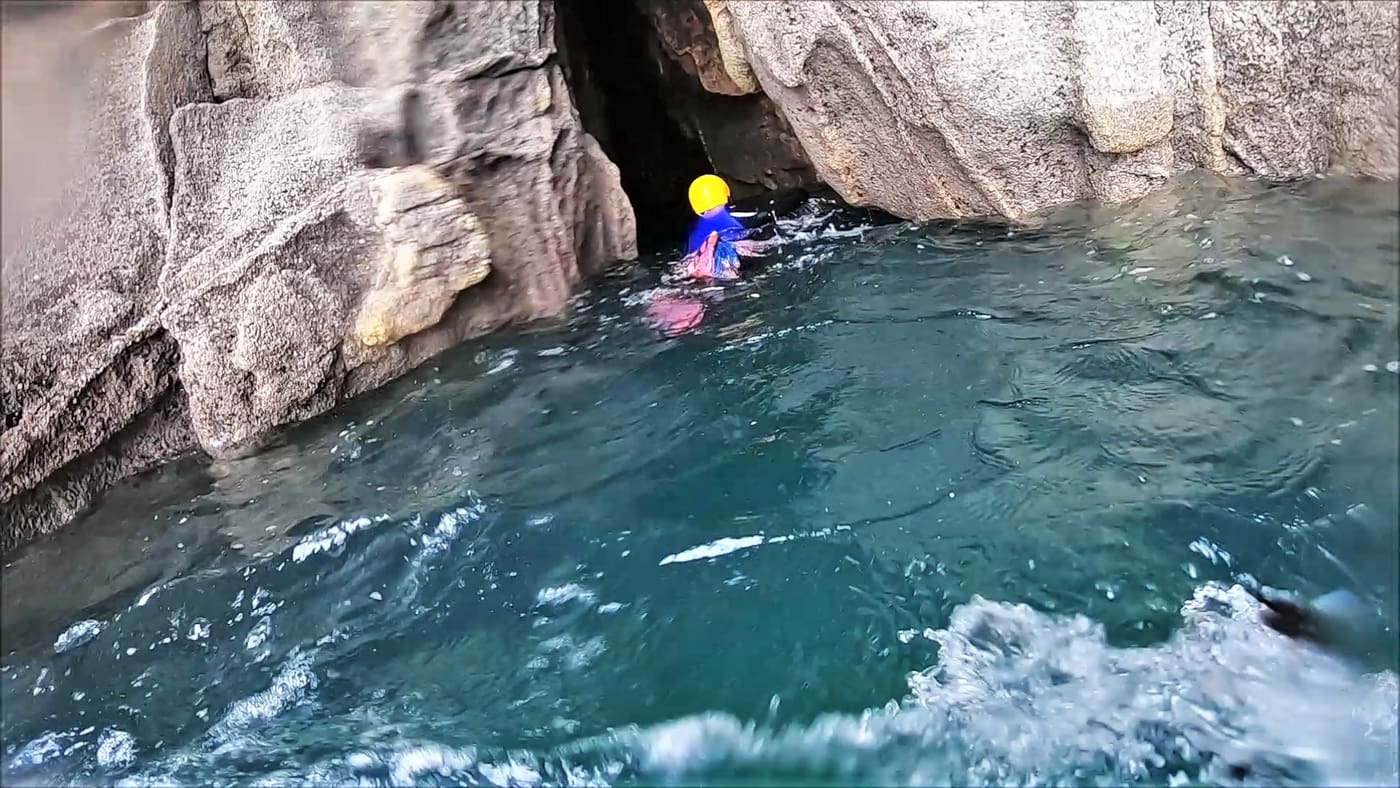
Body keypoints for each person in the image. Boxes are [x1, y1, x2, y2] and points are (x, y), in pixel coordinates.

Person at [679, 174, 768, 280]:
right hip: (731, 256)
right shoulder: (735, 214)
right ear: (727, 196)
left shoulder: (692, 229)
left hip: (698, 267)